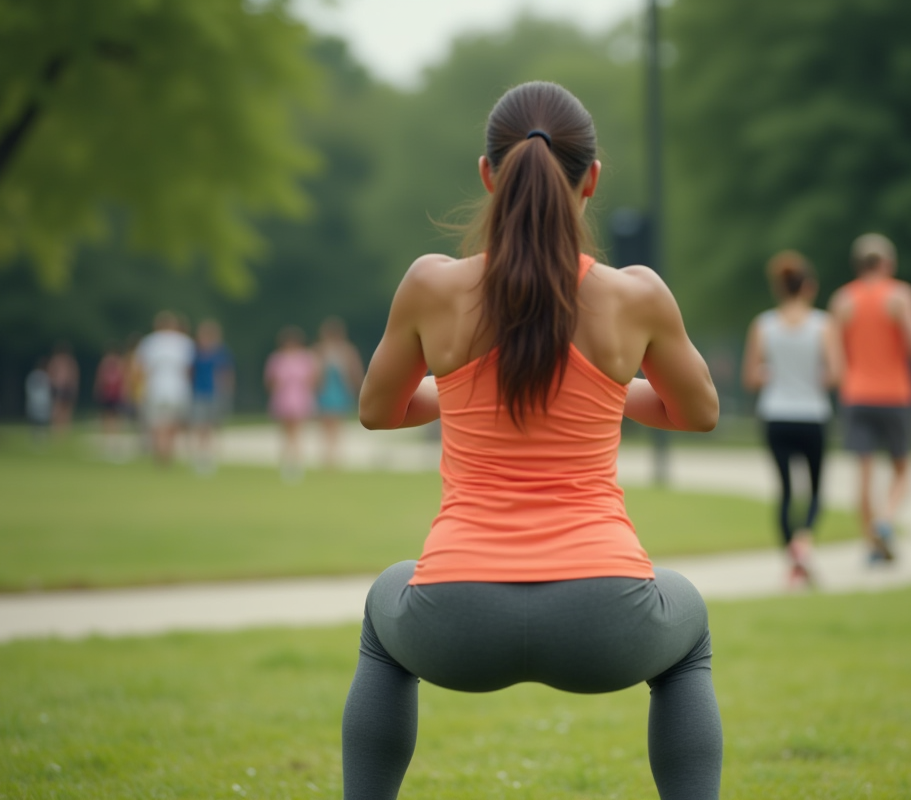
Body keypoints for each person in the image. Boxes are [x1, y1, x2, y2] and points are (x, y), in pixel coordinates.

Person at [346, 81, 723, 798]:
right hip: (606, 619)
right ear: (593, 180)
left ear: (488, 174)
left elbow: (377, 409)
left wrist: (455, 393)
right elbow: (698, 410)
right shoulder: (636, 294)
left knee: (383, 603)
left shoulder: (431, 286)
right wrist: (611, 392)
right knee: (689, 620)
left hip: (455, 620)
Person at [828, 233, 911, 563]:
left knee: (864, 473)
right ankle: (886, 521)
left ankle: (871, 544)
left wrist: (845, 383)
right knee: (901, 469)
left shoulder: (843, 300)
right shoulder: (901, 295)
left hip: (856, 394)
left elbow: (834, 357)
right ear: (888, 263)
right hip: (895, 394)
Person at [742, 251, 843, 587]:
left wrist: (772, 373)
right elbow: (836, 373)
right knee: (815, 491)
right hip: (812, 414)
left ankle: (793, 559)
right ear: (809, 287)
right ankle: (803, 543)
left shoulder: (764, 324)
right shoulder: (823, 324)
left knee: (786, 491)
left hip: (776, 415)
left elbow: (751, 378)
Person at [136, 311, 195, 466]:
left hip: (155, 388)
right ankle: (168, 452)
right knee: (173, 423)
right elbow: (188, 370)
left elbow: (142, 369)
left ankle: (159, 452)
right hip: (177, 389)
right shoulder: (184, 342)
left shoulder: (149, 342)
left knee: (157, 424)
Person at [264, 326, 319, 482]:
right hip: (283, 397)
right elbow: (270, 381)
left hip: (300, 397)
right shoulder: (277, 359)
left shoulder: (305, 358)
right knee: (285, 433)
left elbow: (313, 379)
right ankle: (287, 464)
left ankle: (297, 464)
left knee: (297, 432)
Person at [315, 317, 365, 468]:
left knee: (334, 424)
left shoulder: (345, 350)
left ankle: (332, 456)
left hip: (338, 389)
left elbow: (354, 372)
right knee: (329, 424)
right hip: (327, 389)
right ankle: (330, 455)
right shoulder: (322, 351)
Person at [189, 319, 235, 475]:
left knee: (212, 425)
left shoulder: (220, 353)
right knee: (200, 425)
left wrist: (226, 391)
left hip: (214, 393)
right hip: (199, 392)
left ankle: (210, 455)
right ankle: (201, 455)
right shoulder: (196, 353)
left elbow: (225, 374)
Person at [93, 343, 128, 461]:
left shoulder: (119, 364)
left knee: (114, 418)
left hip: (115, 394)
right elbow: (100, 379)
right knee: (108, 417)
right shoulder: (107, 364)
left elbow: (124, 380)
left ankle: (113, 441)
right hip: (108, 394)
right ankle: (109, 441)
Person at [47, 342, 79, 436]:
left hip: (63, 388)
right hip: (61, 388)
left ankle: (61, 430)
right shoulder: (67, 361)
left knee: (63, 409)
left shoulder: (63, 361)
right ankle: (59, 429)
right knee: (60, 408)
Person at [25, 358, 52, 442]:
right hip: (41, 402)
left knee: (37, 421)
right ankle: (40, 438)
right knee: (40, 422)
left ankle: (37, 438)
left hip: (37, 402)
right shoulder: (45, 377)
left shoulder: (33, 375)